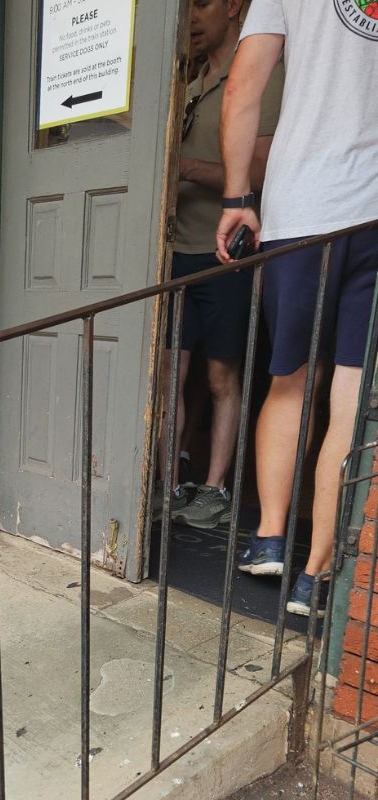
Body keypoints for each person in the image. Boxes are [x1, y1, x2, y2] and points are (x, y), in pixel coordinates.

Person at [217, 0, 378, 614]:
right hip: (372, 213)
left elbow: (243, 87)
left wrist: (237, 195)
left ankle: (269, 540)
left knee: (288, 384)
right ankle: (316, 573)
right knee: (350, 400)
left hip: (303, 210)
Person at [155, 0, 283, 529]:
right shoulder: (187, 84)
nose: (191, 19)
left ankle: (215, 488)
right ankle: (166, 482)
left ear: (234, 7)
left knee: (220, 377)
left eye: (202, 4)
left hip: (228, 249)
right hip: (176, 249)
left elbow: (257, 168)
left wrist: (180, 166)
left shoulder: (262, 74)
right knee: (169, 376)